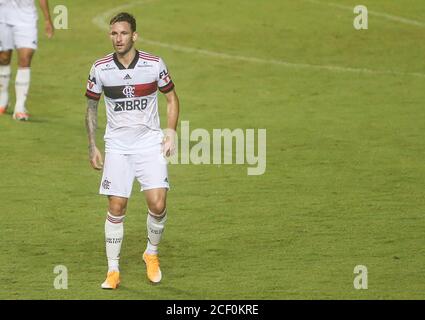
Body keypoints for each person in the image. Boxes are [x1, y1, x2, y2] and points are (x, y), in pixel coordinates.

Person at [85, 12, 179, 289]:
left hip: (149, 143)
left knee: (158, 204)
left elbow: (172, 98)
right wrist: (93, 146)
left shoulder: (153, 65)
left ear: (134, 36)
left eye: (123, 33)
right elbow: (91, 107)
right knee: (116, 206)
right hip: (117, 146)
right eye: (114, 33)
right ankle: (113, 270)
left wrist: (170, 132)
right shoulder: (100, 68)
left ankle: (151, 253)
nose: (118, 39)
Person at [0, 0, 54, 120]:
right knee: (3, 58)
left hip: (26, 16)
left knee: (25, 57)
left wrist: (47, 19)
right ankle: (3, 97)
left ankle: (20, 107)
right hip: (2, 14)